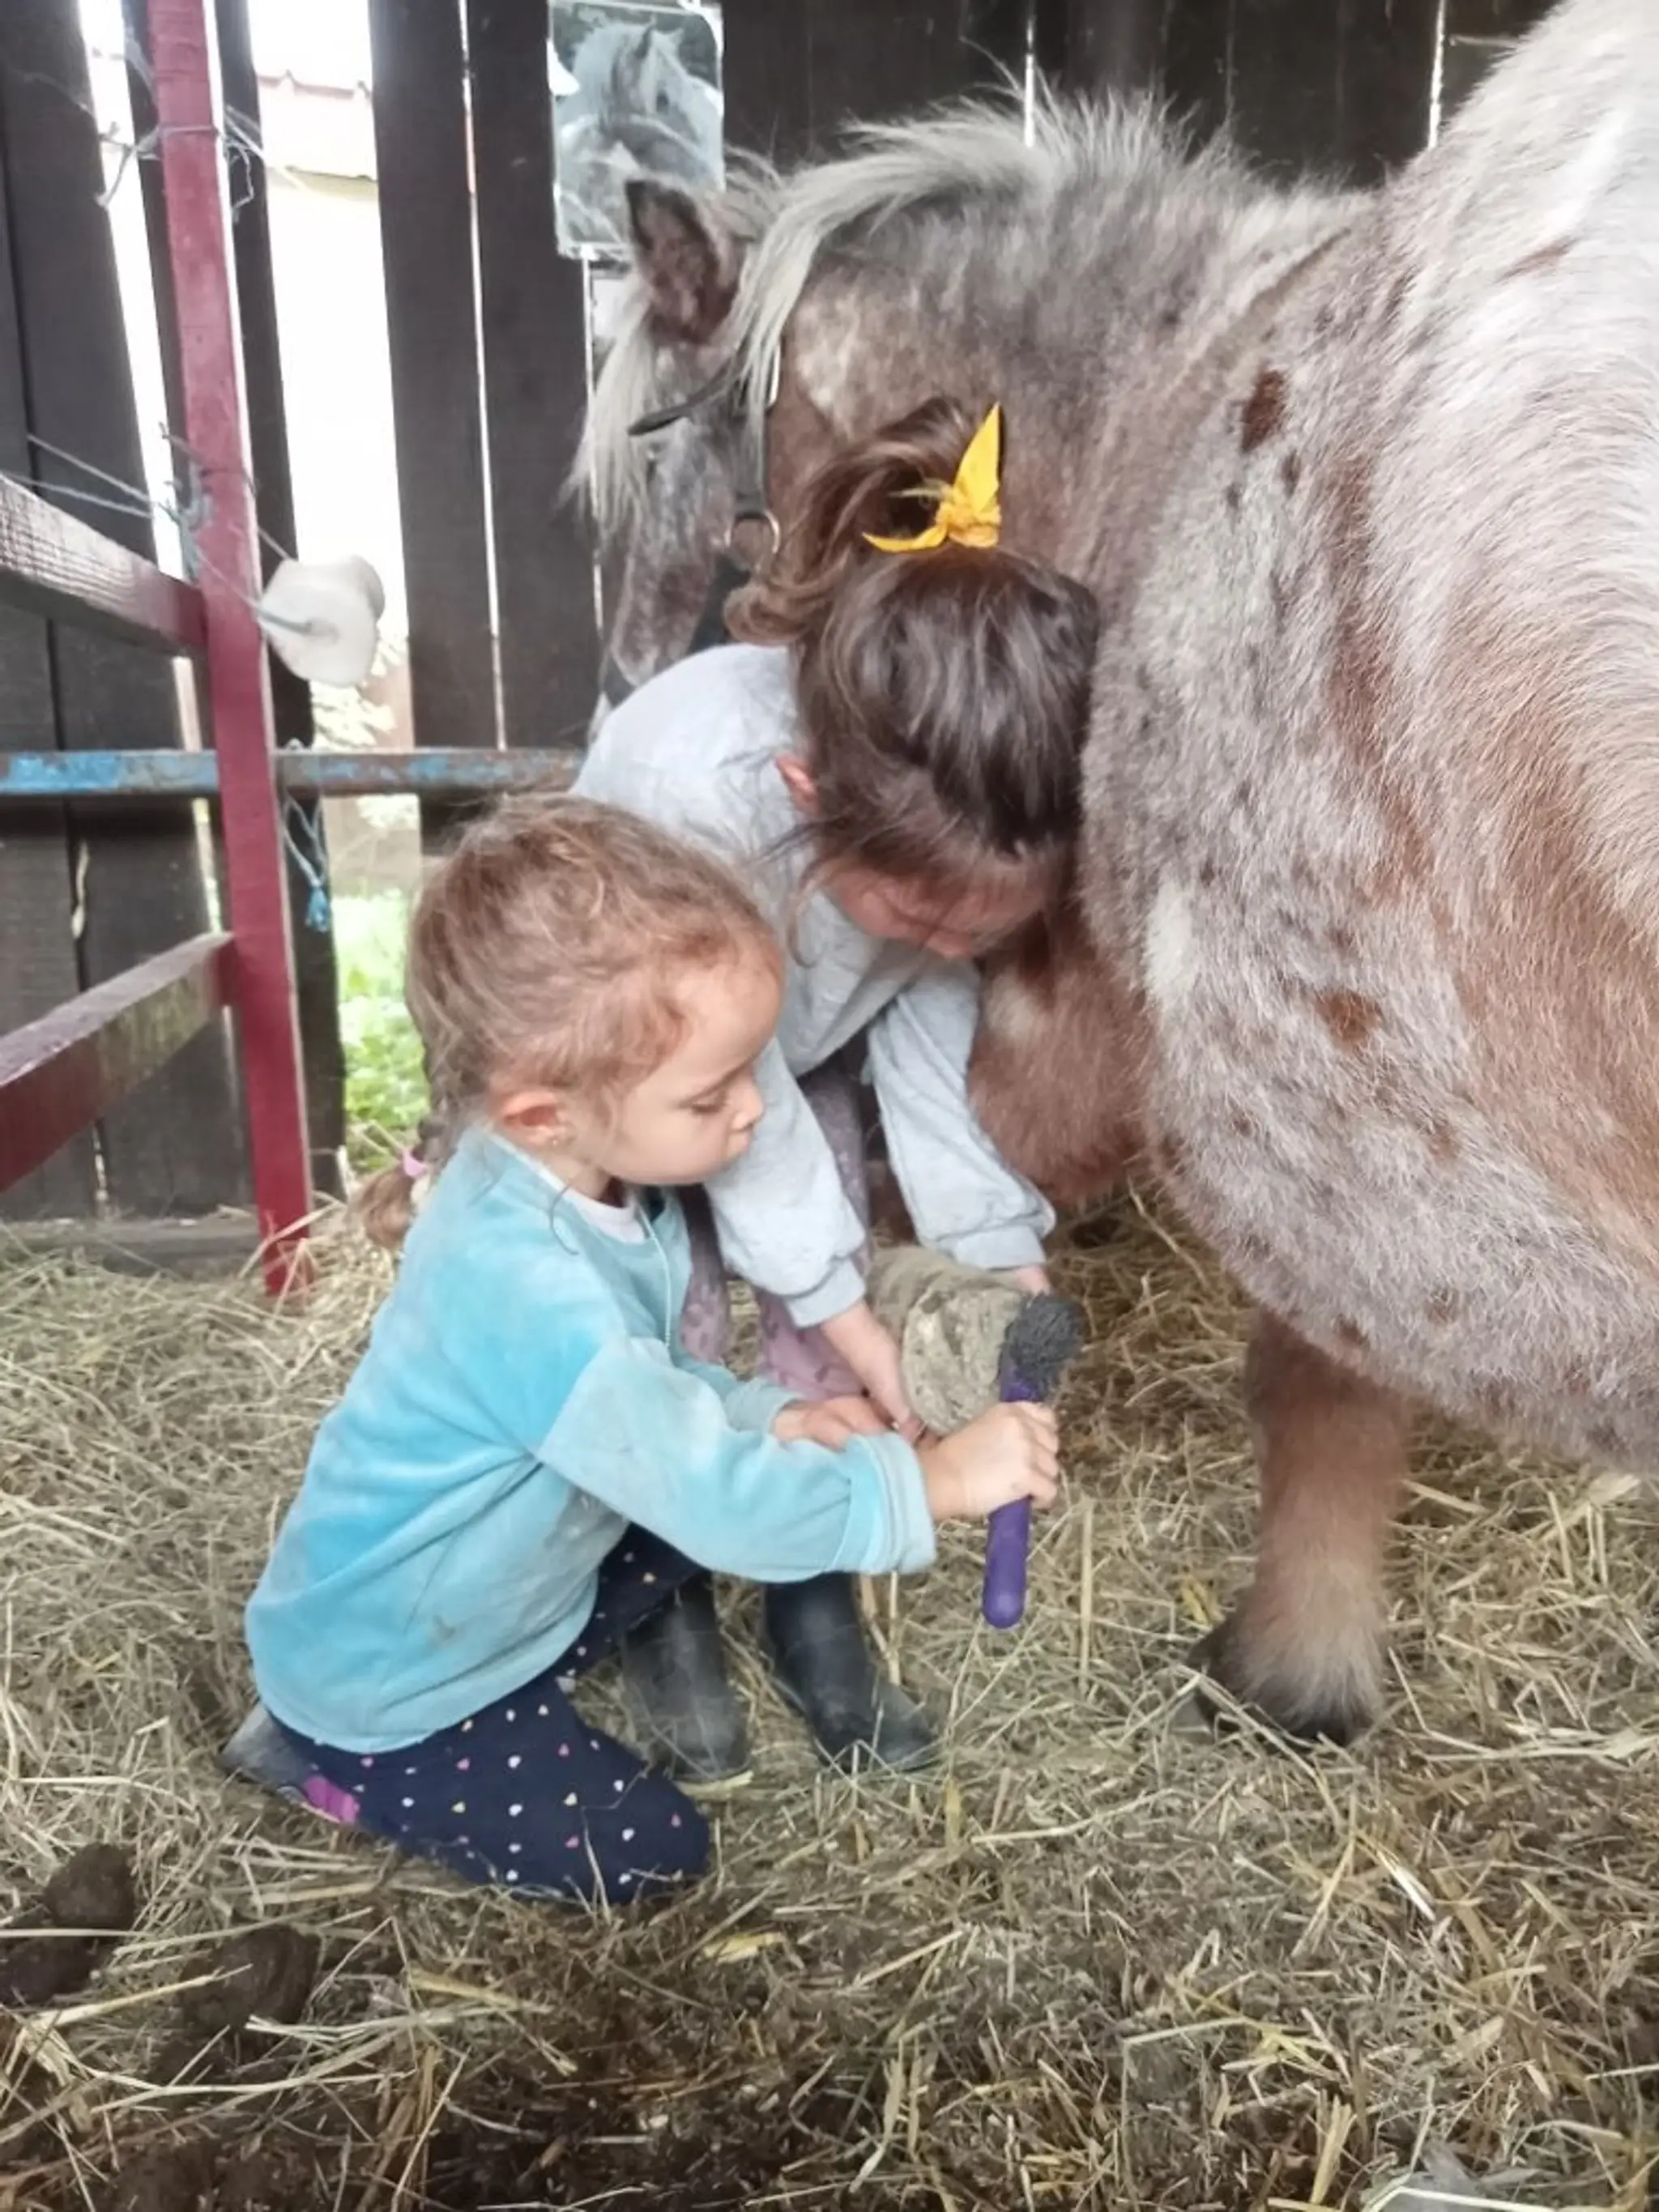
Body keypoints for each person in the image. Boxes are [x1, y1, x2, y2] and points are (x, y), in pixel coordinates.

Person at [228, 799, 1059, 1905]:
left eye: (750, 1070)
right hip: (394, 1680)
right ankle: (334, 1767)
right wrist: (933, 1480)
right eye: (710, 1093)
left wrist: (775, 1417)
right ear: (540, 1112)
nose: (755, 1112)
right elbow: (715, 1497)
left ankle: (472, 1679)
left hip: (490, 1589)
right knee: (658, 1855)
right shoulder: (525, 1290)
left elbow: (648, 1396)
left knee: (705, 1506)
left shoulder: (588, 1188)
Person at [574, 394, 1098, 1784]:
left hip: (783, 1054)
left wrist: (1001, 1252)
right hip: (636, 1070)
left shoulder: (927, 843)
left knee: (822, 1302)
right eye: (922, 914)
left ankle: (811, 1562)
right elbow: (722, 1087)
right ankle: (660, 1572)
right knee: (666, 1307)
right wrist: (865, 1324)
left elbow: (922, 1008)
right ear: (809, 792)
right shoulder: (697, 785)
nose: (951, 946)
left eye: (978, 930)